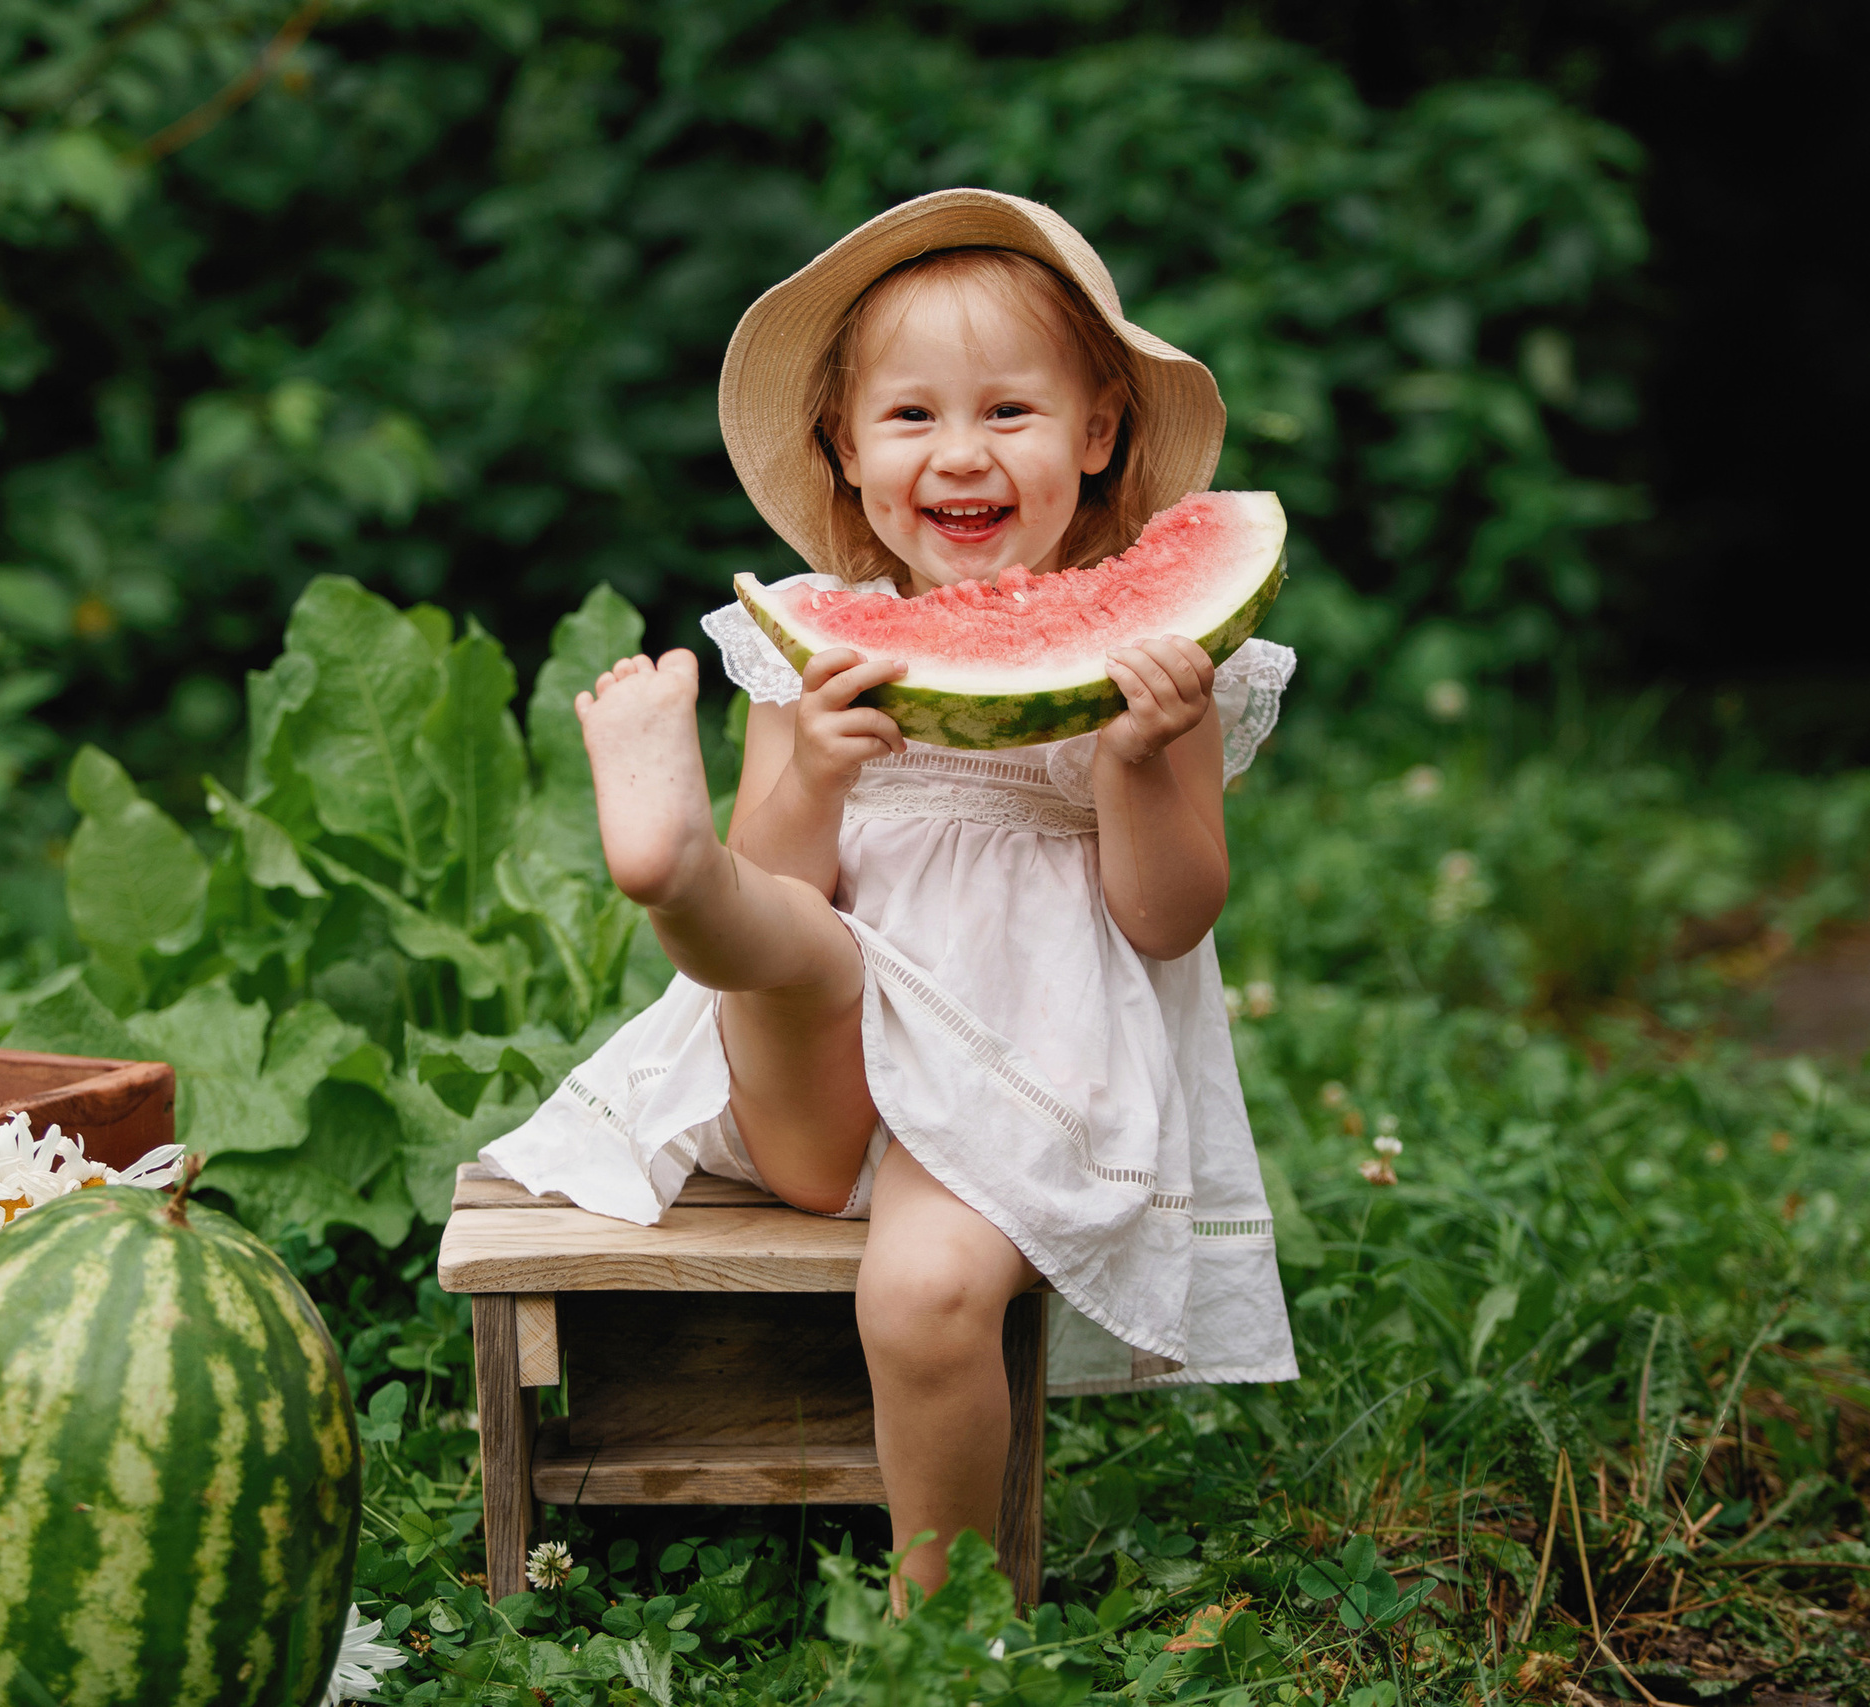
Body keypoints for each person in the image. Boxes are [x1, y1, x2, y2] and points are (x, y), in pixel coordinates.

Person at [479, 189, 1298, 1601]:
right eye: (912, 418)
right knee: (795, 942)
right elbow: (792, 884)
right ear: (845, 453)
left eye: (1010, 414)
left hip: (1025, 1082)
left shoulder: (1170, 666)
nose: (962, 455)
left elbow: (1168, 919)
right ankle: (669, 865)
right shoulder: (805, 651)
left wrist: (1139, 760)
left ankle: (945, 1637)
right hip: (816, 1077)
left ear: (1098, 433)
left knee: (920, 1297)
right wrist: (808, 778)